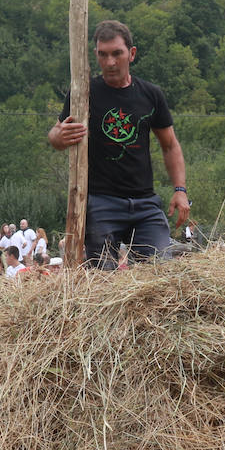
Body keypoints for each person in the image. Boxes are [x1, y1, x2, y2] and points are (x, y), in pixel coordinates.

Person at [48, 19, 189, 267]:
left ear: (131, 54)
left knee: (160, 273)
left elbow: (170, 145)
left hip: (145, 203)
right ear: (95, 55)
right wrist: (59, 137)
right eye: (103, 55)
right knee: (101, 278)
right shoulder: (83, 93)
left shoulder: (150, 94)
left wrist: (180, 190)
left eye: (117, 54)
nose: (110, 62)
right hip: (100, 203)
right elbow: (56, 133)